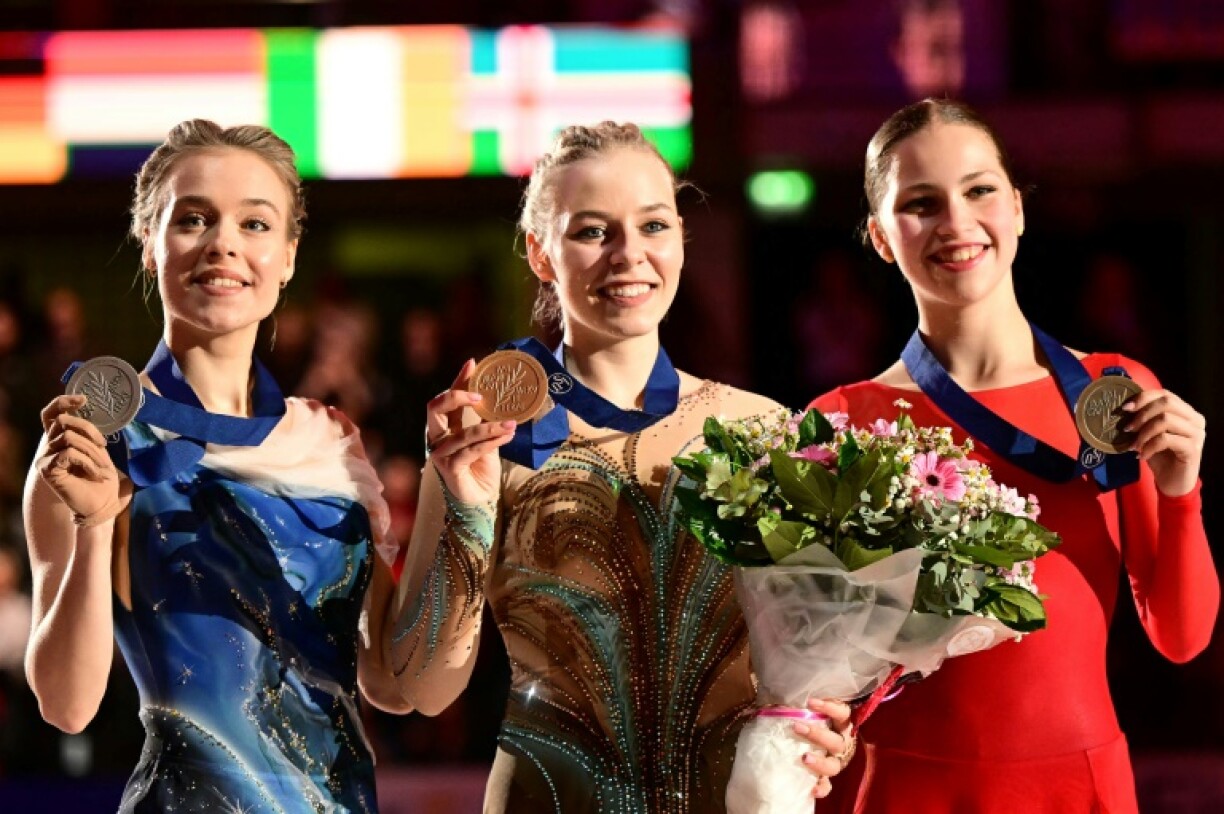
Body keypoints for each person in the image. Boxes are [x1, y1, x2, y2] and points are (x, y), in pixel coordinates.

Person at [385, 122, 854, 812]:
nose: (629, 254)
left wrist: (824, 724)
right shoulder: (484, 440)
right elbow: (423, 691)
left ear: (681, 239)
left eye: (653, 225)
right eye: (592, 232)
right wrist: (465, 507)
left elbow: (808, 654)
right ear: (540, 253)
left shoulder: (763, 429)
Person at [809, 98, 1219, 812]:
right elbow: (806, 659)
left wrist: (1181, 492)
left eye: (979, 190)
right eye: (921, 204)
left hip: (1080, 789)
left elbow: (1182, 638)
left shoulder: (1115, 394)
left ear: (1018, 209)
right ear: (880, 237)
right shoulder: (842, 422)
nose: (956, 222)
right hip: (909, 791)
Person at [23, 119, 407, 813]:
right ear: (150, 244)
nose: (223, 243)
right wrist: (94, 523)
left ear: (288, 257)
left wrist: (460, 511)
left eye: (255, 224)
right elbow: (67, 705)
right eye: (193, 219)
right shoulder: (94, 441)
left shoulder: (330, 441)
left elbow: (393, 678)